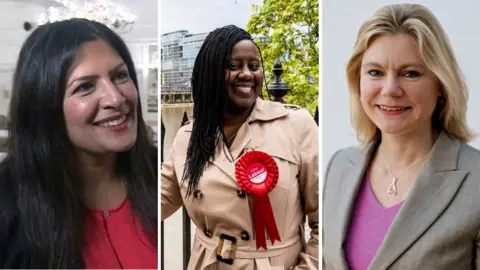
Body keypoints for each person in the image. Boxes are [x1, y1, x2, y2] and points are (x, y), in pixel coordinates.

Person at [323, 3, 480, 269]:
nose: (390, 89)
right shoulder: (339, 166)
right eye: (375, 72)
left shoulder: (475, 179)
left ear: (440, 85)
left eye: (411, 74)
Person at [0, 19, 158, 269]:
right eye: (85, 87)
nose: (115, 98)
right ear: (43, 105)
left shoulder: (163, 174)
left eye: (120, 76)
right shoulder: (8, 205)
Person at [161, 25, 319, 269]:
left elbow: (327, 221)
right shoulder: (187, 137)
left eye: (253, 66)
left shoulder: (296, 125)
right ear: (210, 73)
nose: (246, 74)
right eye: (234, 66)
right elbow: (155, 202)